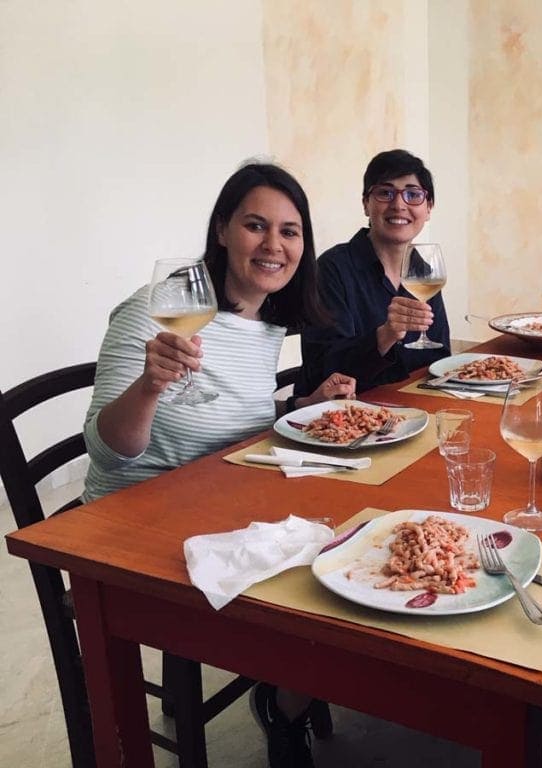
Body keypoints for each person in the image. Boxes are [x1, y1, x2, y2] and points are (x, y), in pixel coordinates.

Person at [82, 162, 354, 768]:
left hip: (223, 499)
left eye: (289, 231)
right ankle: (287, 702)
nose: (273, 244)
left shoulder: (266, 319)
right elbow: (105, 449)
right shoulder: (155, 309)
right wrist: (151, 385)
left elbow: (234, 415)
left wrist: (304, 405)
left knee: (350, 541)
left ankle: (289, 695)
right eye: (256, 225)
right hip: (135, 525)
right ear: (223, 229)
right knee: (322, 586)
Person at [297, 149, 450, 396]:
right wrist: (385, 336)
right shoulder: (331, 269)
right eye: (385, 193)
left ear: (429, 208)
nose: (399, 205)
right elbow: (323, 370)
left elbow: (438, 357)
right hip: (346, 411)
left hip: (411, 405)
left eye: (413, 194)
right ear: (366, 204)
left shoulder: (423, 271)